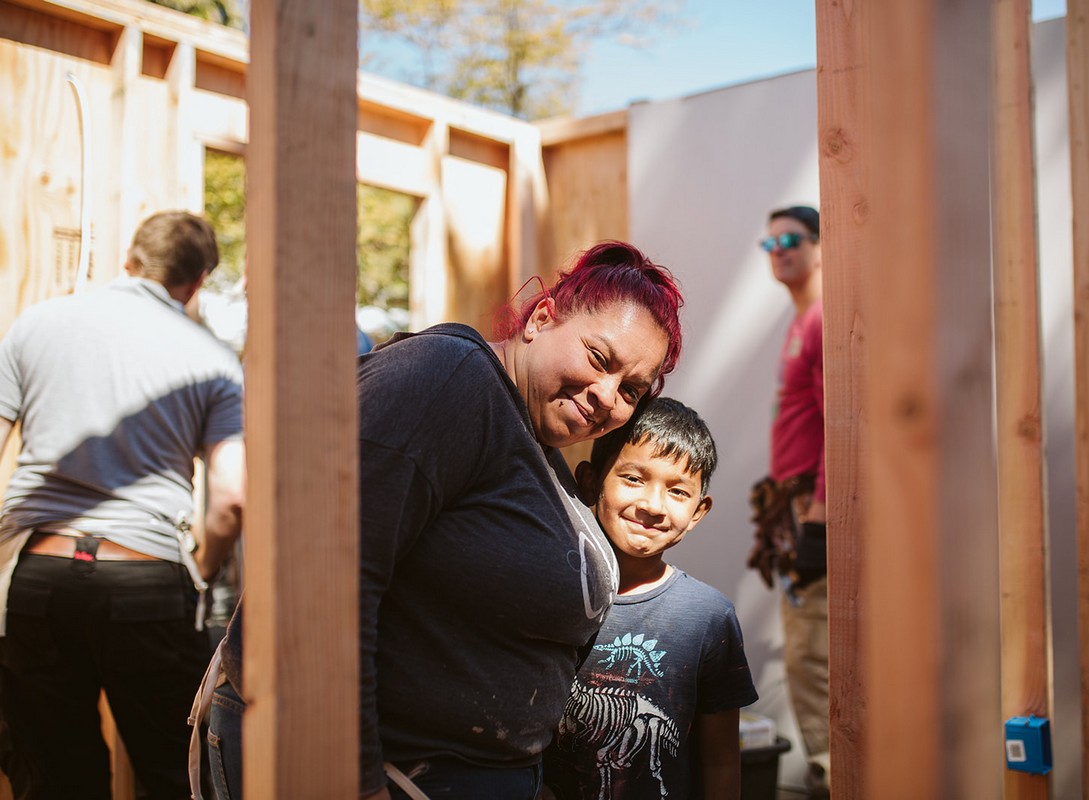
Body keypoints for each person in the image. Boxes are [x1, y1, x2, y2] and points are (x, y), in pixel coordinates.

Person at [204, 241, 684, 800]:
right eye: (599, 359)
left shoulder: (533, 439)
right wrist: (357, 781)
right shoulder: (448, 377)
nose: (606, 396)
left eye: (630, 390)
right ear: (541, 318)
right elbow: (322, 574)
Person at [0, 210, 245, 799]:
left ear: (129, 259)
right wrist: (202, 570)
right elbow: (231, 498)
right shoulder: (211, 358)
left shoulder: (36, 325)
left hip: (36, 577)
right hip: (144, 577)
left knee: (54, 779)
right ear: (199, 279)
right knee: (173, 774)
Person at [542, 397, 758, 800]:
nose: (653, 505)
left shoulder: (709, 617)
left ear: (697, 512)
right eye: (633, 479)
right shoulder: (549, 594)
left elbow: (722, 761)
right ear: (590, 482)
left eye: (677, 491)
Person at [744, 205, 829, 795]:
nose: (779, 251)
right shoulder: (802, 321)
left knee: (812, 659)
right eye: (770, 242)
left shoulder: (823, 320)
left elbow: (840, 426)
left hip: (813, 514)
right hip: (795, 510)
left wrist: (819, 521)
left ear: (822, 246)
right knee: (809, 658)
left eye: (791, 239)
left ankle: (834, 776)